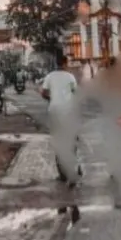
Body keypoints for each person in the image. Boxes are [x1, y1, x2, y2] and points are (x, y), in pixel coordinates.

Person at [41, 52, 80, 186]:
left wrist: (52, 100)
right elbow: (76, 93)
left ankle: (62, 174)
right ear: (64, 63)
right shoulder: (70, 76)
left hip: (54, 111)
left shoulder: (50, 76)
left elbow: (43, 93)